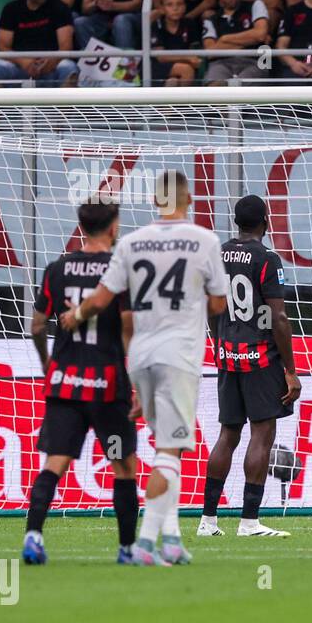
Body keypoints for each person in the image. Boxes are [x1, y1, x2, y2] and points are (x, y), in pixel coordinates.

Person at [61, 171, 228, 567]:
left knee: (166, 447)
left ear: (155, 201)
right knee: (169, 452)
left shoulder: (132, 242)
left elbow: (103, 298)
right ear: (188, 199)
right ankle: (145, 543)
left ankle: (171, 538)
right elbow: (219, 306)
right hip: (179, 355)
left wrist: (76, 314)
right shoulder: (205, 241)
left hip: (140, 356)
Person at [24, 198, 140, 566]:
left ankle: (33, 536)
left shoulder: (56, 269)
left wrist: (48, 365)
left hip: (65, 381)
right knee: (123, 464)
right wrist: (134, 379)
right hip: (107, 385)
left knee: (54, 462)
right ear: (112, 227)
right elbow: (126, 328)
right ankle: (126, 549)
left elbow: (38, 325)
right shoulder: (120, 269)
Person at [198, 196, 301, 539]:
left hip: (228, 354)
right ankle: (249, 522)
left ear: (237, 222)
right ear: (266, 222)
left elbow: (211, 306)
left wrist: (220, 342)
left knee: (228, 433)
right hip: (260, 357)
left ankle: (208, 521)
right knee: (262, 433)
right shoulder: (267, 259)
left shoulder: (218, 254)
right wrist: (290, 369)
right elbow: (279, 317)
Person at [202, 0, 270, 84]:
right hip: (221, 63)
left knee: (239, 88)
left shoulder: (255, 5)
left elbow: (260, 35)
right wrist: (247, 43)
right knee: (215, 86)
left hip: (255, 61)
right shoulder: (211, 19)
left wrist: (225, 39)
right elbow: (211, 52)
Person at [149, 0, 203, 85]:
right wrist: (187, 58)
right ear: (162, 8)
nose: (175, 8)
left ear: (185, 7)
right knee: (186, 70)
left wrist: (191, 59)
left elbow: (194, 49)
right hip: (157, 66)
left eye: (179, 4)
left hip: (183, 63)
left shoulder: (190, 24)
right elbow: (160, 57)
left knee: (173, 82)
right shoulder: (156, 24)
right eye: (169, 5)